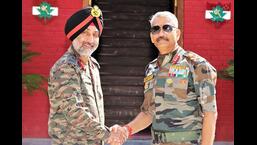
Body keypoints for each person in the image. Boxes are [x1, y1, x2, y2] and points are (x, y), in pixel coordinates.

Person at [112, 11, 218, 145]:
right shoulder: (151, 69)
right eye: (155, 29)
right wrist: (126, 130)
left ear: (177, 34)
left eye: (167, 28)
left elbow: (210, 113)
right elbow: (149, 113)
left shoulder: (197, 65)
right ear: (151, 37)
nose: (161, 34)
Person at [48, 5, 126, 145]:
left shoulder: (93, 65)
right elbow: (73, 110)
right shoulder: (66, 66)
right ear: (74, 34)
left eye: (95, 34)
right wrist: (107, 134)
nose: (90, 40)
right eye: (85, 32)